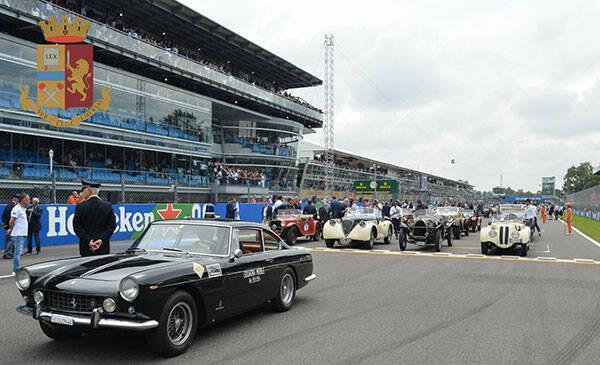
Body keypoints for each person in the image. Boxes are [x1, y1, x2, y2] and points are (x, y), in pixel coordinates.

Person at [72, 180, 116, 257]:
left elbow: (77, 227)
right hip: (103, 248)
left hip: (86, 248)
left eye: (84, 190)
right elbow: (111, 227)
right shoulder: (107, 206)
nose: (82, 193)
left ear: (89, 190)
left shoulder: (80, 206)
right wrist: (101, 240)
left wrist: (89, 241)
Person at [7, 193, 30, 274]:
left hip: (21, 233)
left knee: (18, 252)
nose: (29, 201)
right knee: (18, 252)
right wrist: (12, 229)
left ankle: (16, 268)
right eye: (28, 199)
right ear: (24, 200)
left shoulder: (22, 209)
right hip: (18, 234)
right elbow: (11, 221)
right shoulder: (17, 209)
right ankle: (16, 269)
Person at [2, 194, 19, 259]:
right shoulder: (14, 206)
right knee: (11, 240)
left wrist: (5, 224)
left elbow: (3, 216)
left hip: (7, 225)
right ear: (16, 199)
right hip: (11, 225)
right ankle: (8, 253)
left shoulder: (8, 205)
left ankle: (6, 253)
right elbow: (12, 217)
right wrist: (10, 226)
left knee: (8, 240)